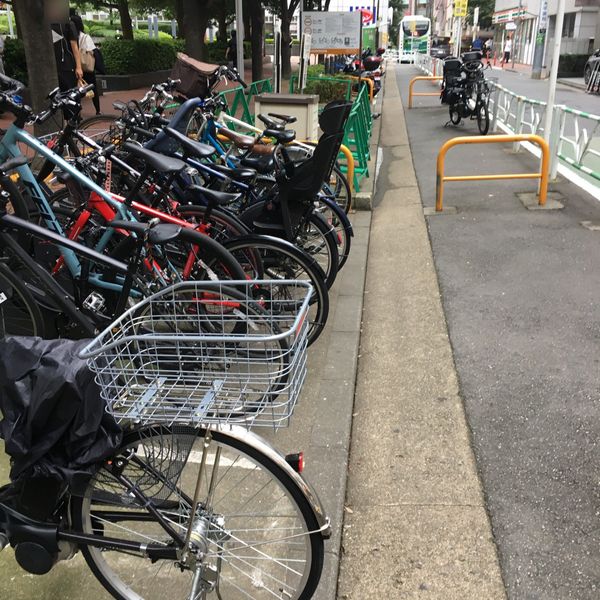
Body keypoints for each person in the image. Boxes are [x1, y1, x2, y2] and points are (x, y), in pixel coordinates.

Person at [48, 0, 83, 92]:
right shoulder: (46, 24)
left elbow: (75, 47)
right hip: (52, 66)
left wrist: (79, 67)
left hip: (67, 65)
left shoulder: (69, 24)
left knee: (70, 93)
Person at [70, 14, 101, 115]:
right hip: (86, 68)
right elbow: (92, 51)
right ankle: (98, 110)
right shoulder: (85, 37)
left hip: (73, 67)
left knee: (76, 91)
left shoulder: (69, 37)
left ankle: (77, 113)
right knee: (93, 89)